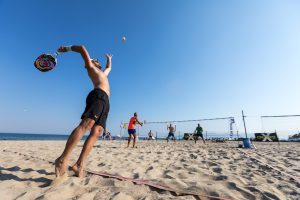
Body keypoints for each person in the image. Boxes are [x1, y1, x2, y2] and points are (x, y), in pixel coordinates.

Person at [54, 45, 113, 178]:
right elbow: (81, 48)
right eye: (95, 60)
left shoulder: (102, 73)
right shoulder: (90, 67)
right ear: (91, 62)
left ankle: (79, 165)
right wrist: (66, 49)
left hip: (106, 101)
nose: (98, 61)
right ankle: (62, 159)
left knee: (97, 132)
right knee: (86, 125)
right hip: (97, 96)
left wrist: (109, 59)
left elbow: (109, 68)